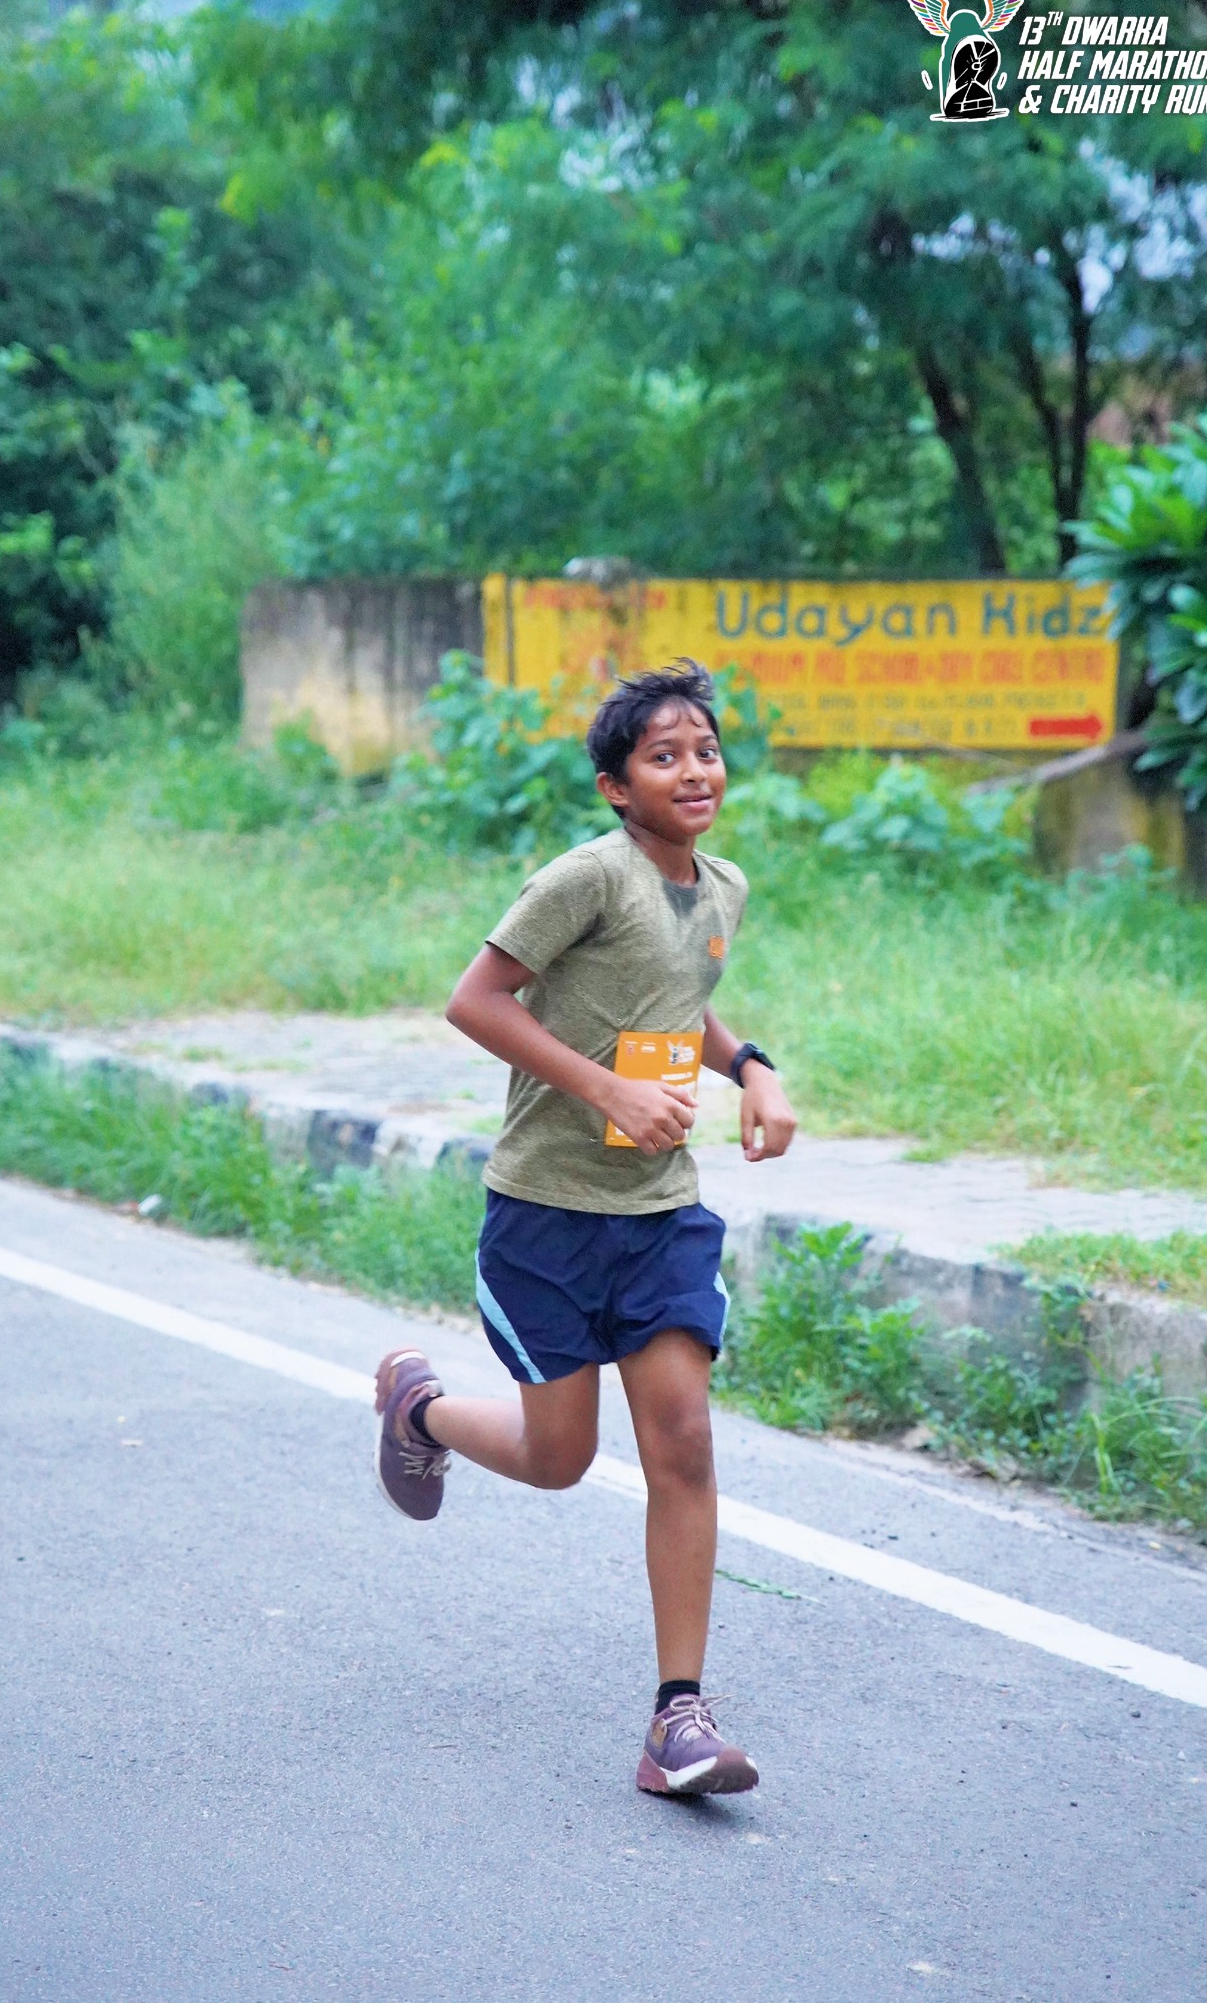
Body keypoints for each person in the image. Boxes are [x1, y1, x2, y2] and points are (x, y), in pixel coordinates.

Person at [374, 659, 796, 1795]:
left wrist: (752, 1068)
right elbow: (475, 1000)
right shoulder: (584, 878)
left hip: (660, 1212)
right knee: (558, 1459)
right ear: (616, 786)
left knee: (683, 1441)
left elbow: (678, 1001)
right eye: (664, 757)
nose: (694, 772)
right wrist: (606, 1088)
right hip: (547, 1216)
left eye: (705, 751)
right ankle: (419, 1409)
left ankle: (677, 1718)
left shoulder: (723, 887)